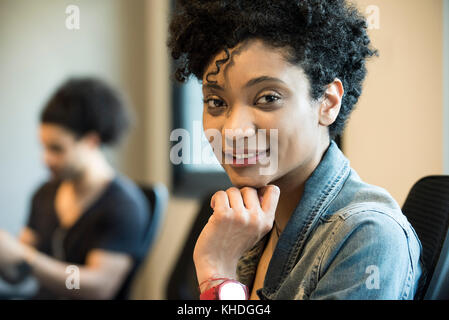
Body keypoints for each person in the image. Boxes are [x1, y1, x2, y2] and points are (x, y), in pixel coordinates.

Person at [168, 0, 423, 299]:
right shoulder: (250, 225)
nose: (234, 130)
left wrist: (219, 276)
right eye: (216, 102)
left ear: (327, 103)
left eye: (267, 97)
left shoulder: (367, 235)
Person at [0, 78, 149, 299]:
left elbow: (98, 288)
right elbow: (18, 274)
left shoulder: (122, 206)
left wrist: (28, 259)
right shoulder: (44, 194)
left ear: (91, 141)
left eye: (56, 149)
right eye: (44, 147)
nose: (46, 159)